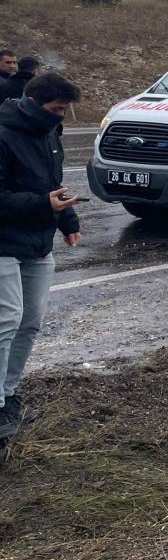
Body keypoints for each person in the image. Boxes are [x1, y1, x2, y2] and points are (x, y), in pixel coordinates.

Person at [0, 73, 83, 443]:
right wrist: (42, 204)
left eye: (65, 111)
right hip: (3, 243)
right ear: (31, 101)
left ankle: (8, 393)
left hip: (38, 241)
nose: (60, 117)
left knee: (30, 321)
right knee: (6, 320)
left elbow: (55, 181)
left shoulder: (49, 134)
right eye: (55, 110)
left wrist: (66, 219)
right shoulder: (3, 134)